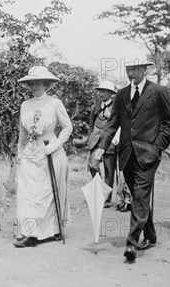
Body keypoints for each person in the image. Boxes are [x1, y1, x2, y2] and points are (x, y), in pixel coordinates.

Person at [97, 58, 170, 262]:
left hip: (148, 155)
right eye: (128, 69)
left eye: (135, 69)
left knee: (140, 197)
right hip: (126, 154)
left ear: (144, 69)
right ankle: (150, 234)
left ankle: (132, 243)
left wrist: (156, 147)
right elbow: (113, 123)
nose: (131, 73)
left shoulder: (158, 92)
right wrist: (101, 147)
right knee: (139, 197)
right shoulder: (122, 94)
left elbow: (169, 124)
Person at [14, 66, 73, 248]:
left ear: (46, 84)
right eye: (31, 83)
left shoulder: (55, 103)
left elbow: (67, 127)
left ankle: (51, 229)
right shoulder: (25, 105)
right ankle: (29, 233)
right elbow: (23, 133)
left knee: (46, 193)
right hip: (29, 153)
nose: (34, 86)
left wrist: (53, 146)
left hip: (49, 151)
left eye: (38, 83)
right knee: (27, 193)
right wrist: (20, 152)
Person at [87, 80, 118, 207]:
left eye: (104, 91)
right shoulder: (96, 106)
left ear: (111, 93)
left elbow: (118, 124)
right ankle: (98, 191)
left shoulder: (116, 108)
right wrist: (90, 137)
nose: (101, 94)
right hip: (96, 142)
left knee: (109, 171)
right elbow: (91, 124)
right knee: (93, 166)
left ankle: (106, 199)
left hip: (109, 143)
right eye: (100, 91)